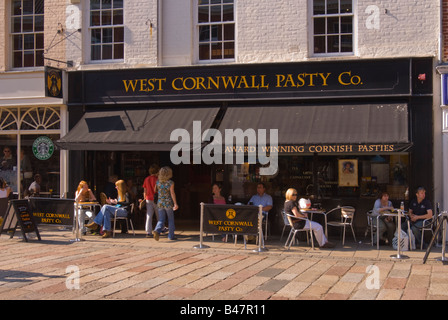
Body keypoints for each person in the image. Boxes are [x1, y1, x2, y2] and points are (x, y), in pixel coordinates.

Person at [152, 166, 178, 241]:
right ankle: (171, 236)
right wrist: (175, 203)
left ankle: (157, 230)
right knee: (170, 219)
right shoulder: (170, 183)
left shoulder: (157, 182)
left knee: (161, 219)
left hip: (160, 202)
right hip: (168, 203)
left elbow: (155, 190)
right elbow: (172, 193)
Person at [142, 164, 159, 238]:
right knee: (159, 215)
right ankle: (159, 230)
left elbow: (145, 190)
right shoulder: (157, 179)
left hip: (148, 198)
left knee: (149, 216)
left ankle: (148, 231)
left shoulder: (146, 179)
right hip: (156, 198)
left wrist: (144, 198)